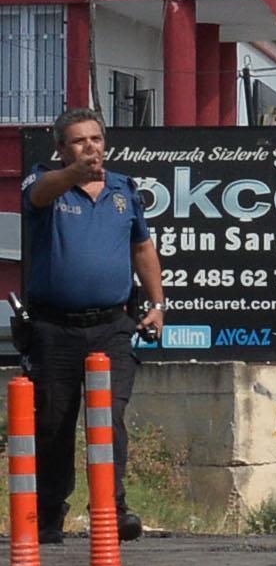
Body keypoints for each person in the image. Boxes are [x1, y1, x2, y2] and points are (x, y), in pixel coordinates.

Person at [15, 106, 163, 543]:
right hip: (54, 328)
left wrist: (157, 303)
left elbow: (142, 248)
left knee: (109, 416)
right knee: (55, 422)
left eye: (95, 139)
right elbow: (39, 194)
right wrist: (75, 173)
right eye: (79, 141)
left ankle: (112, 509)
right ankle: (48, 512)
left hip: (112, 326)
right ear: (61, 148)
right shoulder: (46, 181)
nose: (90, 147)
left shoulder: (123, 189)